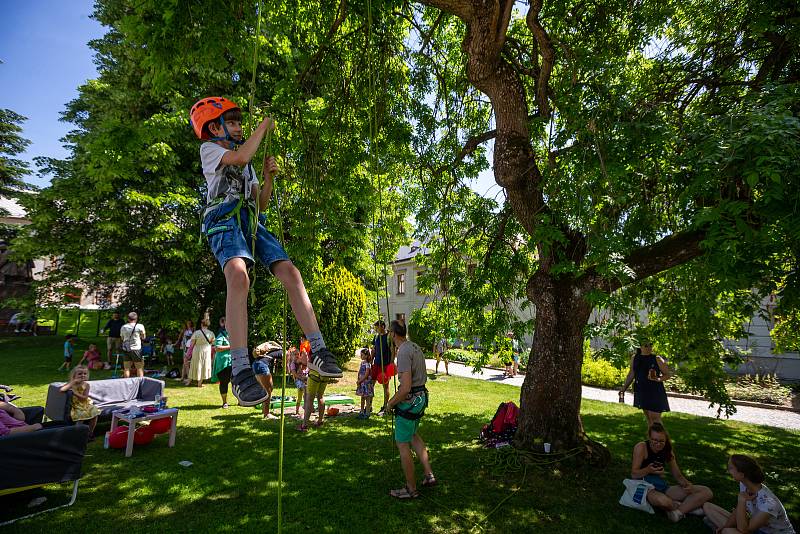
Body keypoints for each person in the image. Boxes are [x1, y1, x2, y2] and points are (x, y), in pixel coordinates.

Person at [191, 96, 342, 405]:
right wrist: (264, 124)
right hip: (224, 220)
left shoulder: (245, 163)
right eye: (231, 122)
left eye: (238, 122)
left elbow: (260, 204)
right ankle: (241, 368)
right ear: (214, 128)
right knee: (238, 275)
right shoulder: (211, 150)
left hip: (250, 220)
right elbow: (242, 158)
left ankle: (319, 349)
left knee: (290, 272)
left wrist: (268, 177)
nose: (238, 127)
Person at [385, 320, 435, 499]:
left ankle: (410, 489)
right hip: (420, 398)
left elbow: (405, 388)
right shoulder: (414, 346)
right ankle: (429, 475)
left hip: (411, 400)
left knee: (402, 443)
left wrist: (390, 403)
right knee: (413, 435)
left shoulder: (404, 351)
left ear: (392, 334)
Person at [630, 422, 713, 522]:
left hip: (661, 487)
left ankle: (677, 512)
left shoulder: (667, 449)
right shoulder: (641, 447)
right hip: (644, 487)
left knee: (706, 492)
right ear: (649, 437)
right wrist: (648, 469)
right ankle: (688, 507)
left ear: (665, 440)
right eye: (654, 440)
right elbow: (634, 474)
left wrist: (687, 484)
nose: (658, 444)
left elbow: (677, 475)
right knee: (664, 501)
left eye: (661, 441)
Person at [703, 454, 796, 534]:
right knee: (708, 506)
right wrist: (725, 526)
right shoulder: (744, 484)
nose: (728, 471)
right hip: (755, 527)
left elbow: (744, 530)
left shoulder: (769, 503)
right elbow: (738, 511)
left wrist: (741, 500)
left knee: (728, 532)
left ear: (742, 475)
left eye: (730, 468)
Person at [620, 340, 671, 427]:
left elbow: (667, 375)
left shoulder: (657, 359)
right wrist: (623, 388)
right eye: (646, 345)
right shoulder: (635, 358)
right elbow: (631, 374)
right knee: (649, 419)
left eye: (650, 345)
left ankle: (662, 439)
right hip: (641, 390)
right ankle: (651, 439)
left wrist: (658, 379)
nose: (649, 347)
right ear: (640, 347)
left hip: (655, 391)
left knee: (655, 419)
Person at [59, 365, 101, 440]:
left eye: (85, 373)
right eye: (80, 374)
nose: (83, 375)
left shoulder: (86, 385)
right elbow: (61, 390)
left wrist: (75, 393)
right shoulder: (71, 384)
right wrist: (73, 382)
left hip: (84, 404)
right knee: (81, 416)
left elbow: (84, 398)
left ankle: (90, 433)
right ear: (74, 375)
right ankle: (77, 435)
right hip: (75, 405)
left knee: (95, 413)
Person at [252, 341, 281, 419]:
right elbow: (287, 361)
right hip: (262, 366)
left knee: (266, 389)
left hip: (255, 365)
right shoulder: (282, 352)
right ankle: (267, 414)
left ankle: (264, 410)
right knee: (268, 391)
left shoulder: (270, 352)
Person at [371, 320, 393, 414]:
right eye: (375, 328)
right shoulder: (376, 336)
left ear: (383, 326)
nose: (376, 329)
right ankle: (369, 405)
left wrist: (391, 363)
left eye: (378, 327)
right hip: (376, 364)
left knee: (385, 386)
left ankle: (385, 406)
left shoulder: (389, 337)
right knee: (370, 385)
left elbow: (393, 351)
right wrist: (371, 360)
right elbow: (374, 350)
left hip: (385, 365)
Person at [188, 315, 215, 388]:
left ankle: (189, 381)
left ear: (201, 324)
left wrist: (188, 353)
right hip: (206, 350)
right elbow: (213, 343)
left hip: (197, 350)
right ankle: (199, 383)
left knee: (194, 365)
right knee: (204, 365)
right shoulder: (211, 333)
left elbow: (192, 344)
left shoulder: (196, 333)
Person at [212, 317, 232, 407]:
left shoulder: (232, 334)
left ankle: (240, 400)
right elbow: (217, 348)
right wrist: (231, 347)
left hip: (232, 362)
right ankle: (225, 402)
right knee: (224, 382)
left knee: (236, 382)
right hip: (223, 363)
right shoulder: (221, 335)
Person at [120, 312, 146, 378]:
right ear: (136, 319)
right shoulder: (140, 326)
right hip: (136, 349)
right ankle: (140, 384)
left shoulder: (123, 327)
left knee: (126, 368)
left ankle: (126, 384)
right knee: (139, 368)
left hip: (126, 349)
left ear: (128, 319)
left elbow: (122, 338)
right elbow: (144, 337)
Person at [288, 346, 308, 416]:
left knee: (301, 396)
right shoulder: (293, 364)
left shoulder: (300, 362)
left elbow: (306, 365)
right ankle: (301, 408)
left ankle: (301, 410)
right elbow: (295, 374)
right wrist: (302, 378)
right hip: (298, 380)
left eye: (298, 354)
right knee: (303, 393)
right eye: (295, 354)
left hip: (304, 379)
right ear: (292, 356)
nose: (297, 356)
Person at [356, 348, 375, 419]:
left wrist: (361, 380)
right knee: (362, 397)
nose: (361, 356)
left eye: (362, 355)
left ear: (366, 356)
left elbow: (366, 374)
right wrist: (358, 380)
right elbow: (359, 372)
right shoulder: (362, 363)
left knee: (367, 398)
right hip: (362, 383)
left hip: (366, 383)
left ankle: (367, 413)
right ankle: (361, 411)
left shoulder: (367, 364)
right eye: (360, 354)